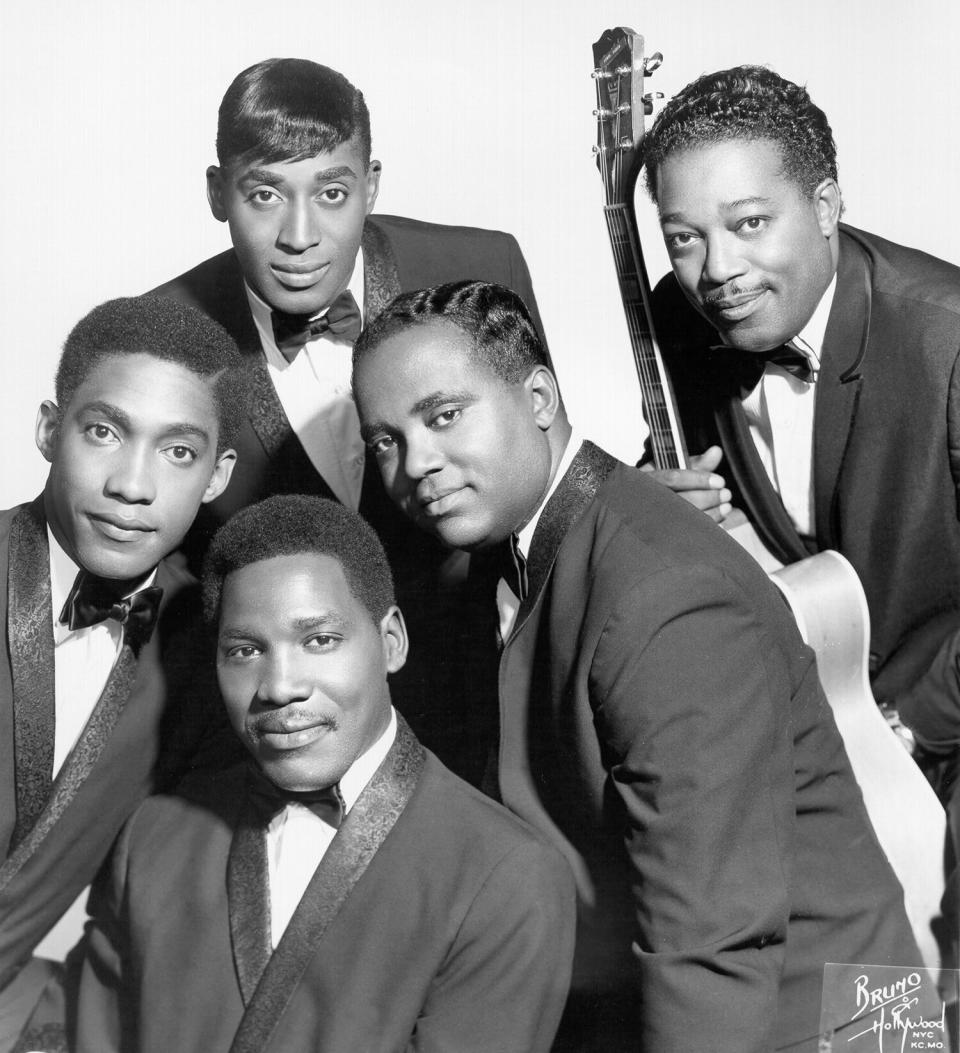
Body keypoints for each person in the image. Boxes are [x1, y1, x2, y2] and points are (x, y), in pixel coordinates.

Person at [351, 279, 923, 1053]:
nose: (416, 462)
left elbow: (713, 943)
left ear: (540, 397)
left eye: (444, 415)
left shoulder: (662, 595)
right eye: (386, 440)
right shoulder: (524, 546)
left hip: (828, 1024)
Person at [640, 64, 960, 950]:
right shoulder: (682, 318)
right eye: (684, 238)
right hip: (813, 754)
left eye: (749, 224)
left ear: (825, 205)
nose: (719, 271)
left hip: (941, 727)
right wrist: (654, 509)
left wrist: (903, 726)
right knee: (845, 1012)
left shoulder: (949, 340)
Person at [73, 494, 576, 1053]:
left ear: (391, 642)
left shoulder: (510, 877)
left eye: (319, 640)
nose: (280, 686)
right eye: (244, 651)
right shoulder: (150, 837)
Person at [152, 56, 547, 748]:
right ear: (218, 193)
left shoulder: (480, 268)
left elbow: (536, 466)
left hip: (488, 719)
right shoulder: (166, 335)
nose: (300, 236)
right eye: (265, 196)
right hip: (276, 740)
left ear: (370, 185)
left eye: (331, 194)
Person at [0, 295, 243, 1051]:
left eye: (177, 452)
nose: (133, 486)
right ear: (48, 429)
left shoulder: (210, 659)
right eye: (104, 432)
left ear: (216, 475)